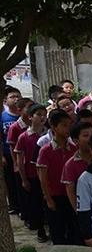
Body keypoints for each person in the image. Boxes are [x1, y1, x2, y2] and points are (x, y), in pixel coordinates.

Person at [36, 109, 80, 245]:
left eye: (69, 125)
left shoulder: (73, 149)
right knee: (57, 230)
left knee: (73, 228)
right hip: (55, 195)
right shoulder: (46, 150)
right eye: (64, 125)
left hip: (70, 195)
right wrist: (48, 198)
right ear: (54, 127)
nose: (68, 129)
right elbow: (42, 177)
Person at [14, 104, 49, 242]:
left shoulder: (49, 134)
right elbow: (20, 160)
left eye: (44, 114)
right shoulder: (24, 137)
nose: (42, 117)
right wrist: (24, 179)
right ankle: (40, 229)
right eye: (38, 114)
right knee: (36, 204)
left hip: (47, 176)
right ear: (30, 117)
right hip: (33, 176)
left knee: (48, 202)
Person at [7, 97, 33, 219]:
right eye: (28, 107)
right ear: (20, 110)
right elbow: (13, 148)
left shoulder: (34, 123)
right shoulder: (15, 127)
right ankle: (26, 215)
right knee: (23, 192)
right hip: (21, 163)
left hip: (31, 163)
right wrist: (16, 164)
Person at [61, 122, 92, 213]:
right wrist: (78, 211)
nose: (91, 139)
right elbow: (71, 191)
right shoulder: (70, 165)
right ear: (76, 141)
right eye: (86, 135)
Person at [3, 86, 23, 215]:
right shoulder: (3, 117)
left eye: (17, 96)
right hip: (8, 155)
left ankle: (23, 206)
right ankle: (14, 205)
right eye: (12, 97)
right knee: (11, 182)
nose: (15, 99)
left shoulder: (24, 116)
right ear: (5, 101)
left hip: (23, 155)